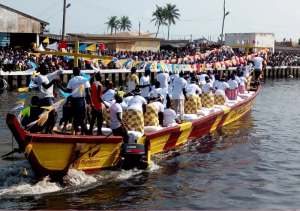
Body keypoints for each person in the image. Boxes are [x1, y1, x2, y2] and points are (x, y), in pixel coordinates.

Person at [57, 67, 91, 135]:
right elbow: (88, 92)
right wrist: (90, 101)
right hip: (82, 99)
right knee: (83, 118)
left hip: (74, 100)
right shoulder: (84, 80)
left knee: (75, 117)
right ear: (80, 72)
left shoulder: (71, 80)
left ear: (73, 73)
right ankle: (83, 133)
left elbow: (67, 91)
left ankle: (75, 134)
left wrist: (59, 85)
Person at [32, 64, 63, 134]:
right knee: (54, 114)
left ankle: (47, 130)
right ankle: (50, 130)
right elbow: (46, 87)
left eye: (48, 68)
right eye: (46, 68)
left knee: (51, 115)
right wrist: (54, 80)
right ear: (42, 70)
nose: (48, 70)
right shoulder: (40, 77)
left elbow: (61, 71)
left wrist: (58, 66)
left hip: (50, 98)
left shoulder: (49, 76)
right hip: (45, 98)